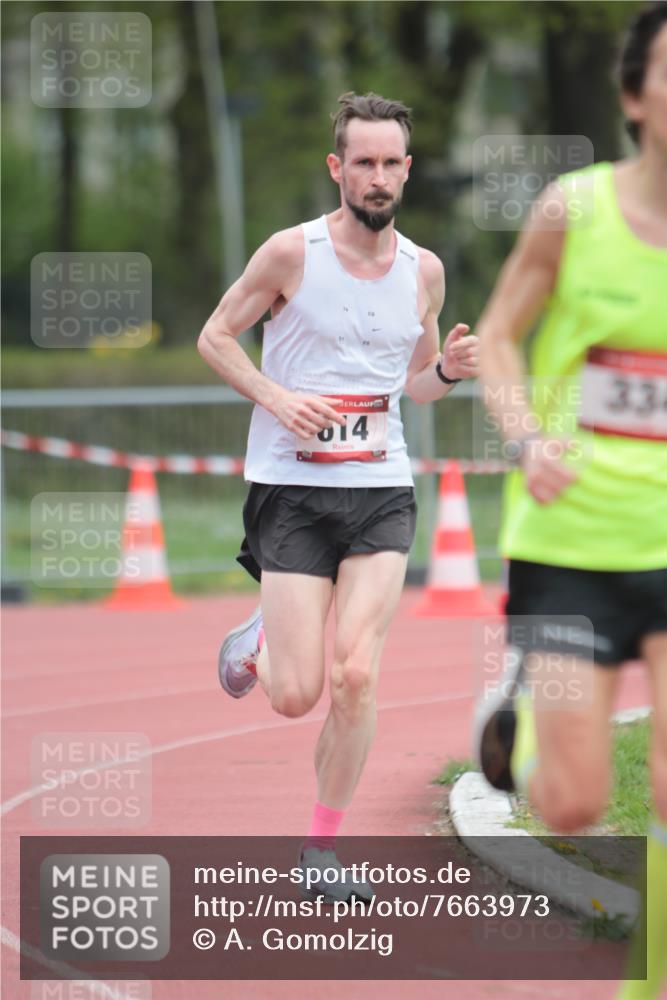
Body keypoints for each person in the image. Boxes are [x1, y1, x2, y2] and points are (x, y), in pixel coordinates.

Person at [198, 92, 479, 901]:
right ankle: (259, 640)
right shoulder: (290, 254)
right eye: (364, 162)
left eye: (392, 163)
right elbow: (215, 336)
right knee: (295, 697)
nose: (379, 176)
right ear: (338, 167)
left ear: (408, 169)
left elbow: (415, 388)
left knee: (357, 674)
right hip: (291, 489)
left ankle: (320, 852)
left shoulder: (423, 271)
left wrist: (450, 373)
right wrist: (277, 398)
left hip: (380, 488)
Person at [473, 4, 667, 997]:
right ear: (635, 96)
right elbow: (500, 335)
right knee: (573, 799)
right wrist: (525, 434)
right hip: (572, 542)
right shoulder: (574, 209)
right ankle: (522, 719)